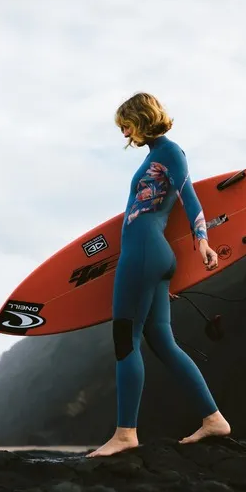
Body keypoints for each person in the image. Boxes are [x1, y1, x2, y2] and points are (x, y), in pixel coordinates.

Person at [87, 92, 231, 458]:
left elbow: (189, 196)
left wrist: (203, 242)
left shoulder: (169, 152)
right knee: (162, 342)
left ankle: (125, 435)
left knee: (125, 339)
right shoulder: (155, 154)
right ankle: (214, 419)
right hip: (153, 258)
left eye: (127, 125)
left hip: (143, 255)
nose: (124, 133)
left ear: (142, 118)